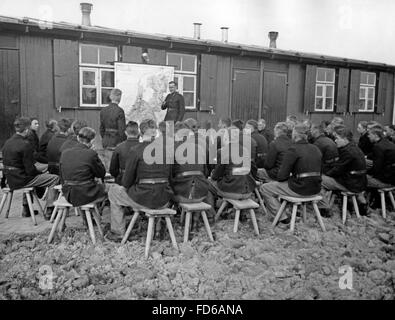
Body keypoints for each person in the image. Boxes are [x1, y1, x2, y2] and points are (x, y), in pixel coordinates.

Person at [107, 119, 173, 242]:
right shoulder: (166, 151)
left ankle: (118, 232)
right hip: (163, 198)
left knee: (113, 192)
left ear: (141, 133)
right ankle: (157, 230)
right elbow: (169, 176)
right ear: (156, 133)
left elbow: (126, 182)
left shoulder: (136, 150)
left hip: (143, 197)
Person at [259, 122, 323, 223]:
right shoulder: (316, 148)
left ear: (295, 135)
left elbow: (281, 177)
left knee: (265, 188)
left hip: (300, 189)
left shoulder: (293, 149)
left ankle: (282, 217)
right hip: (316, 188)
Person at [2, 117, 59, 219]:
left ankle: (26, 209)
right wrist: (41, 172)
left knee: (30, 177)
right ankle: (50, 210)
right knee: (54, 178)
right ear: (27, 130)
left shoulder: (7, 142)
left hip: (10, 179)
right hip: (22, 180)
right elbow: (30, 171)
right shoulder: (25, 145)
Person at [320, 125, 368, 216]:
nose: (335, 140)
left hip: (350, 184)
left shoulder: (347, 152)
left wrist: (325, 173)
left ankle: (324, 208)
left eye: (337, 138)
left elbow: (337, 170)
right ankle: (362, 205)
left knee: (319, 179)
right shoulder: (355, 148)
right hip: (360, 182)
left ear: (345, 139)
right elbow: (341, 166)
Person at [207, 126, 256, 212]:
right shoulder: (245, 150)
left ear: (226, 137)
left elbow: (216, 176)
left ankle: (211, 215)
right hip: (248, 190)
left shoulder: (222, 151)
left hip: (232, 191)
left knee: (207, 184)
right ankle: (231, 211)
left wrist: (212, 174)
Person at [60, 127, 107, 207]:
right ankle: (100, 214)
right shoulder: (91, 154)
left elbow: (61, 175)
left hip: (68, 193)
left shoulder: (65, 153)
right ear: (92, 141)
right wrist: (95, 154)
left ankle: (92, 217)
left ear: (78, 138)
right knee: (111, 189)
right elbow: (101, 173)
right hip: (86, 194)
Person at [99, 88, 127, 171]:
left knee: (108, 164)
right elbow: (122, 129)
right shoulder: (120, 111)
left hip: (106, 139)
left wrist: (104, 138)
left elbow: (101, 128)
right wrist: (124, 142)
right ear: (119, 97)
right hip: (117, 140)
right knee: (117, 166)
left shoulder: (103, 110)